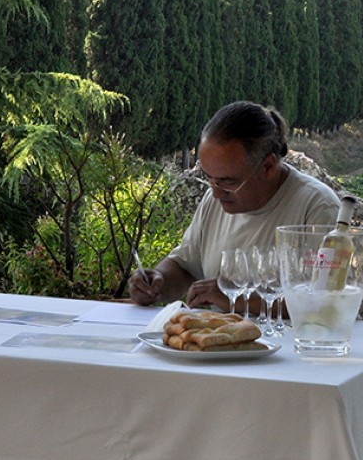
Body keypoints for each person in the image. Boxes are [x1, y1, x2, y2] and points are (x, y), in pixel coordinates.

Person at [129, 101, 341, 309]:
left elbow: (326, 300)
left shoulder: (317, 207)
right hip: (221, 331)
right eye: (209, 178)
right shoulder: (215, 199)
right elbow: (185, 266)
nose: (215, 192)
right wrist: (158, 281)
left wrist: (236, 298)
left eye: (228, 182)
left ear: (268, 167)